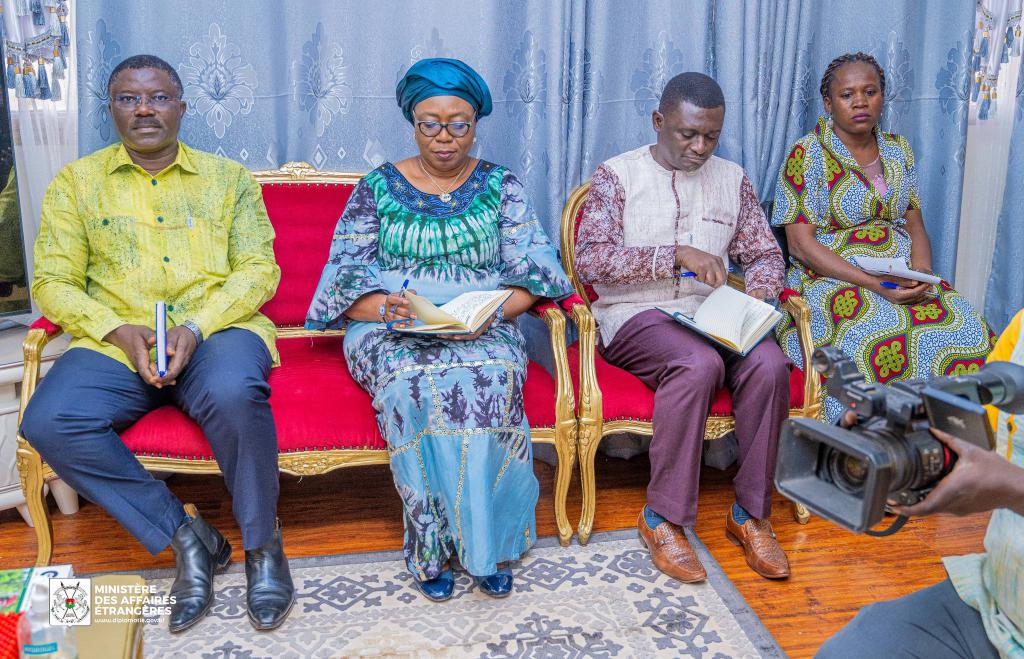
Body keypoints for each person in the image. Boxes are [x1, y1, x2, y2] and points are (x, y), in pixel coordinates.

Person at [19, 55, 294, 633]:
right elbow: (52, 282)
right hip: (117, 339)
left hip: (215, 331)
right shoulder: (76, 183)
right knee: (49, 420)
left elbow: (258, 271)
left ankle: (263, 546)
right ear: (111, 110)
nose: (144, 109)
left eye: (158, 97)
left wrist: (195, 327)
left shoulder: (228, 180)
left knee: (234, 392)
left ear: (181, 108)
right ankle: (187, 536)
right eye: (128, 98)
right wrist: (116, 330)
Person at [305, 58, 572, 601]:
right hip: (390, 327)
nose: (444, 137)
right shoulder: (377, 188)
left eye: (458, 124)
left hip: (485, 324)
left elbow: (537, 274)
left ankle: (487, 545)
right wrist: (387, 310)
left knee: (492, 378)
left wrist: (490, 313)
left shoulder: (501, 185)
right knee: (412, 383)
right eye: (430, 124)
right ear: (413, 123)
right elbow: (345, 279)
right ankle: (429, 545)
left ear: (475, 125)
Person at [575, 72, 791, 582]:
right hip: (634, 315)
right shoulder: (617, 176)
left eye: (710, 136)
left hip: (712, 315)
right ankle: (662, 518)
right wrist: (675, 255)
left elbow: (765, 255)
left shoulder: (732, 178)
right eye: (687, 134)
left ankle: (751, 514)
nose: (699, 147)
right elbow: (591, 260)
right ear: (659, 121)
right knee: (697, 363)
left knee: (770, 364)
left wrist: (759, 296)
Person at [773, 52, 993, 422]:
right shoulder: (806, 154)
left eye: (870, 92)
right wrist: (874, 284)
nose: (860, 102)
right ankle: (874, 441)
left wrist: (920, 276)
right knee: (875, 337)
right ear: (828, 103)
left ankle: (954, 435)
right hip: (831, 278)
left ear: (882, 97)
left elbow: (915, 225)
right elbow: (800, 245)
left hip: (899, 272)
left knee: (967, 328)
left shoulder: (897, 149)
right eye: (847, 95)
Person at [817, 308, 1024, 658]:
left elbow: (1005, 481)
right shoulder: (1021, 331)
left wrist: (1014, 490)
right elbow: (976, 443)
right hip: (1001, 605)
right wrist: (889, 448)